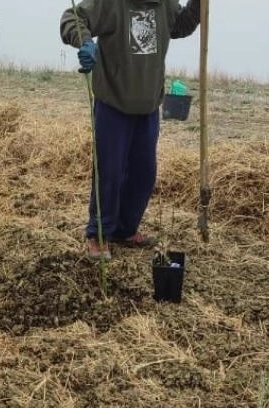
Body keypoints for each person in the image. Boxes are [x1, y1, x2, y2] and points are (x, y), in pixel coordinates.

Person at [61, 0, 201, 259]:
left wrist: (198, 5)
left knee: (143, 174)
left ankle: (124, 230)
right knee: (110, 172)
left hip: (147, 106)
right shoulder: (110, 3)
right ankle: (99, 234)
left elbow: (180, 26)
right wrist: (85, 42)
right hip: (113, 103)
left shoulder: (165, 4)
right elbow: (72, 17)